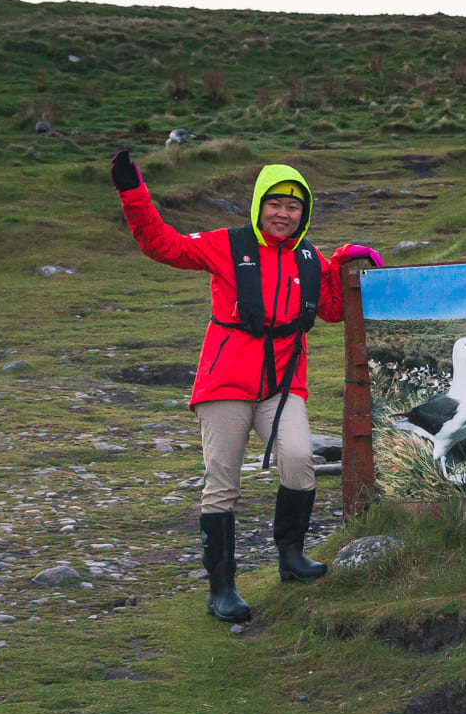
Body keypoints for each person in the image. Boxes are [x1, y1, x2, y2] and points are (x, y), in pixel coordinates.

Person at [109, 150, 382, 623]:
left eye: (294, 207)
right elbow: (162, 244)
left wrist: (345, 261)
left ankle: (291, 559)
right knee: (222, 486)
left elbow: (333, 309)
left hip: (283, 384)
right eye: (275, 204)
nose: (283, 214)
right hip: (225, 383)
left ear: (305, 212)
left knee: (299, 461)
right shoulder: (226, 245)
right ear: (258, 205)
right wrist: (133, 192)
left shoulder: (308, 258)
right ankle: (222, 589)